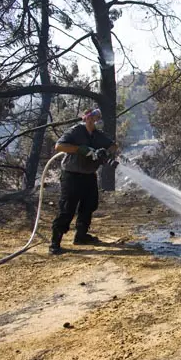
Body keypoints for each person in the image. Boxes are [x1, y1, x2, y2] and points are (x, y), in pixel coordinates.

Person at [49, 108, 118, 255]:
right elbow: (59, 146)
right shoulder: (75, 131)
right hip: (71, 175)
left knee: (89, 206)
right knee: (68, 208)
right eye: (92, 117)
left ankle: (81, 236)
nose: (94, 120)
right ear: (85, 118)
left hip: (89, 175)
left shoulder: (98, 135)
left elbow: (113, 146)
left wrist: (105, 152)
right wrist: (79, 149)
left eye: (97, 118)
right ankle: (55, 242)